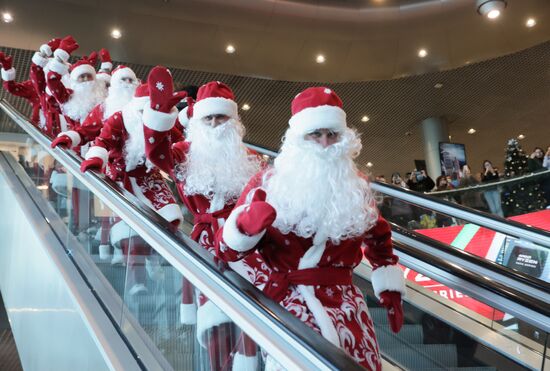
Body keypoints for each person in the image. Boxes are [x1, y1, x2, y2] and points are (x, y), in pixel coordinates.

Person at [215, 87, 406, 370]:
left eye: (333, 135)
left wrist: (390, 287)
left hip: (348, 309)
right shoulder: (267, 183)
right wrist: (243, 226)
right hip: (290, 307)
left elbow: (378, 235)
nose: (325, 143)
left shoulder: (356, 186)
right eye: (315, 134)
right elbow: (224, 250)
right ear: (297, 140)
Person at [143, 75, 266, 369]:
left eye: (221, 118)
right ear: (198, 120)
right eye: (208, 117)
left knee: (253, 322)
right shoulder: (184, 154)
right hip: (207, 247)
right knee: (215, 327)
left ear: (233, 121)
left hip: (250, 249)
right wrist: (159, 114)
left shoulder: (251, 158)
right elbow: (155, 152)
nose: (214, 124)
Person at [81, 76, 184, 295]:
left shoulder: (161, 123)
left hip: (150, 177)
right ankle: (137, 281)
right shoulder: (121, 118)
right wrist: (96, 158)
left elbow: (178, 142)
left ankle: (154, 258)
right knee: (129, 230)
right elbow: (103, 141)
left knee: (170, 217)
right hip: (121, 176)